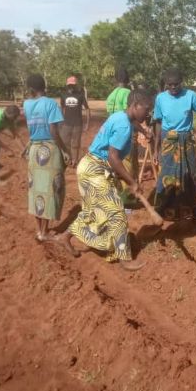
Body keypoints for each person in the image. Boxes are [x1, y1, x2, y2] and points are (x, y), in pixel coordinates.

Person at [58, 89, 153, 271]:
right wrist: (132, 182)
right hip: (95, 170)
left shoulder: (121, 116)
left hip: (90, 166)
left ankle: (65, 237)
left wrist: (144, 131)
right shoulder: (124, 126)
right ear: (135, 105)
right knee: (117, 212)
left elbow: (134, 122)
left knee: (92, 210)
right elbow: (113, 157)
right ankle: (124, 259)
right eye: (146, 109)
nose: (148, 113)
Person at [153, 68, 196, 220]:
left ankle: (193, 207)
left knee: (190, 173)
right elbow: (158, 122)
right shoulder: (160, 98)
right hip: (168, 140)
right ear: (166, 84)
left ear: (181, 82)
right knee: (168, 174)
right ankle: (164, 208)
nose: (173, 87)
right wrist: (156, 147)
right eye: (170, 85)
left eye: (176, 84)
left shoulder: (191, 96)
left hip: (186, 140)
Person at [23, 74, 70, 242]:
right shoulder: (51, 104)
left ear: (31, 89)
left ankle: (39, 231)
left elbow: (31, 128)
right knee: (50, 190)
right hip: (50, 151)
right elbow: (53, 131)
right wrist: (65, 150)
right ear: (44, 87)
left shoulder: (26, 104)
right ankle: (44, 232)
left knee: (36, 191)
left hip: (34, 150)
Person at [60, 76, 90, 167]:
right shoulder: (63, 95)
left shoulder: (80, 95)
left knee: (75, 144)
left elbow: (87, 109)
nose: (71, 87)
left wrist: (87, 123)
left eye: (73, 85)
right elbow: (62, 108)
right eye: (69, 85)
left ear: (75, 85)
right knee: (65, 142)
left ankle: (74, 161)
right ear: (67, 85)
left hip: (78, 124)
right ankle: (67, 159)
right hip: (66, 124)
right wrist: (61, 121)